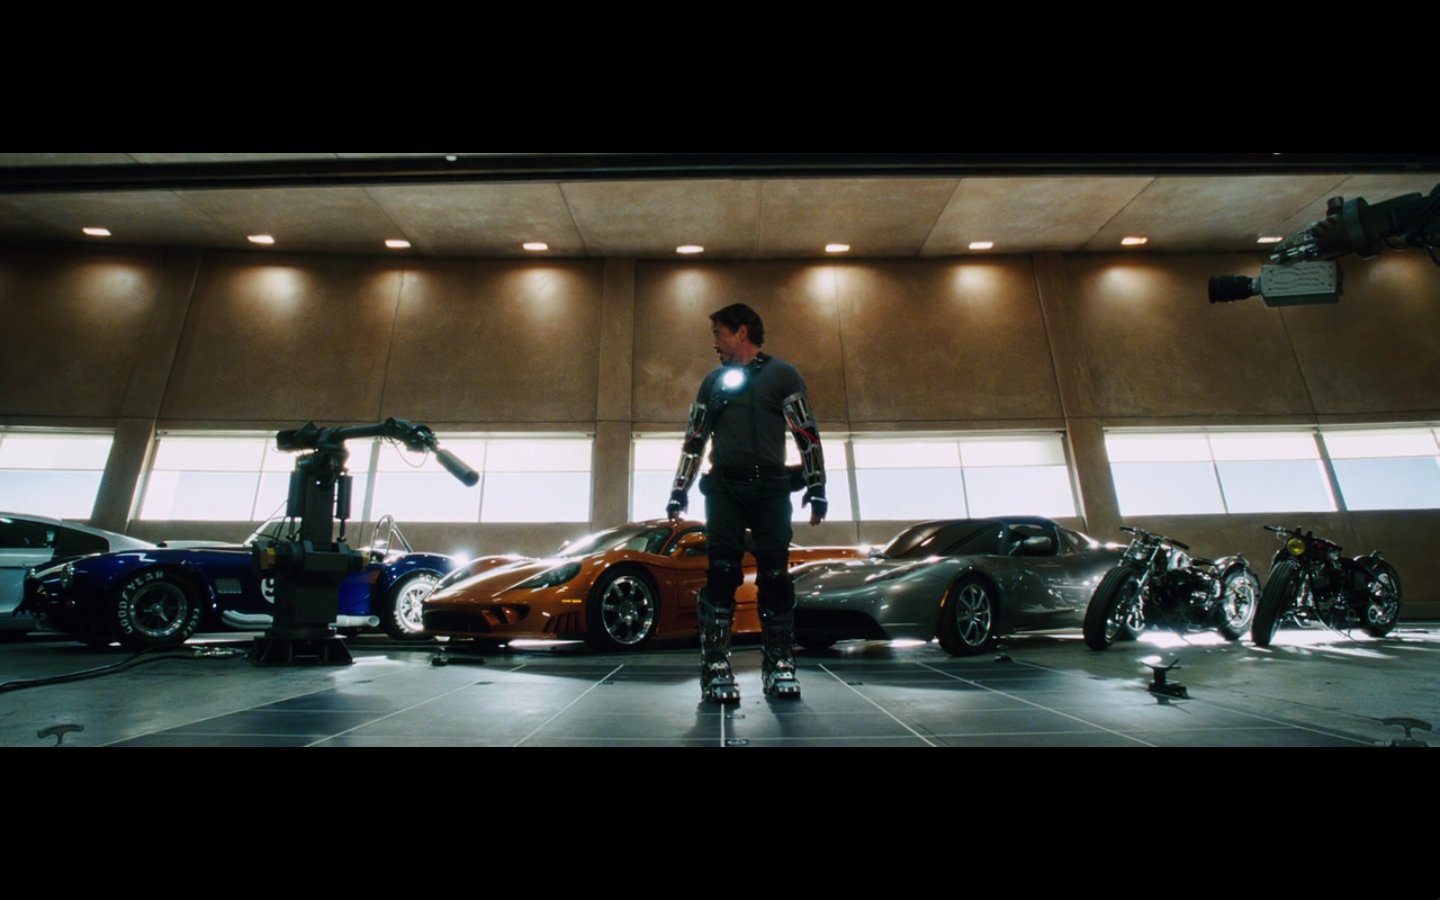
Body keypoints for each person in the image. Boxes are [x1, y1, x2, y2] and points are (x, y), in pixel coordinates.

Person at [667, 304, 828, 705]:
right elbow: (694, 440)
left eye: (719, 334)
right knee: (722, 572)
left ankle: (779, 664)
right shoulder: (713, 382)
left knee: (775, 576)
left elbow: (806, 433)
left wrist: (817, 486)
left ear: (741, 332)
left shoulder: (783, 375)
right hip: (725, 488)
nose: (715, 344)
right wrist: (679, 490)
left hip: (772, 487)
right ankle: (716, 667)